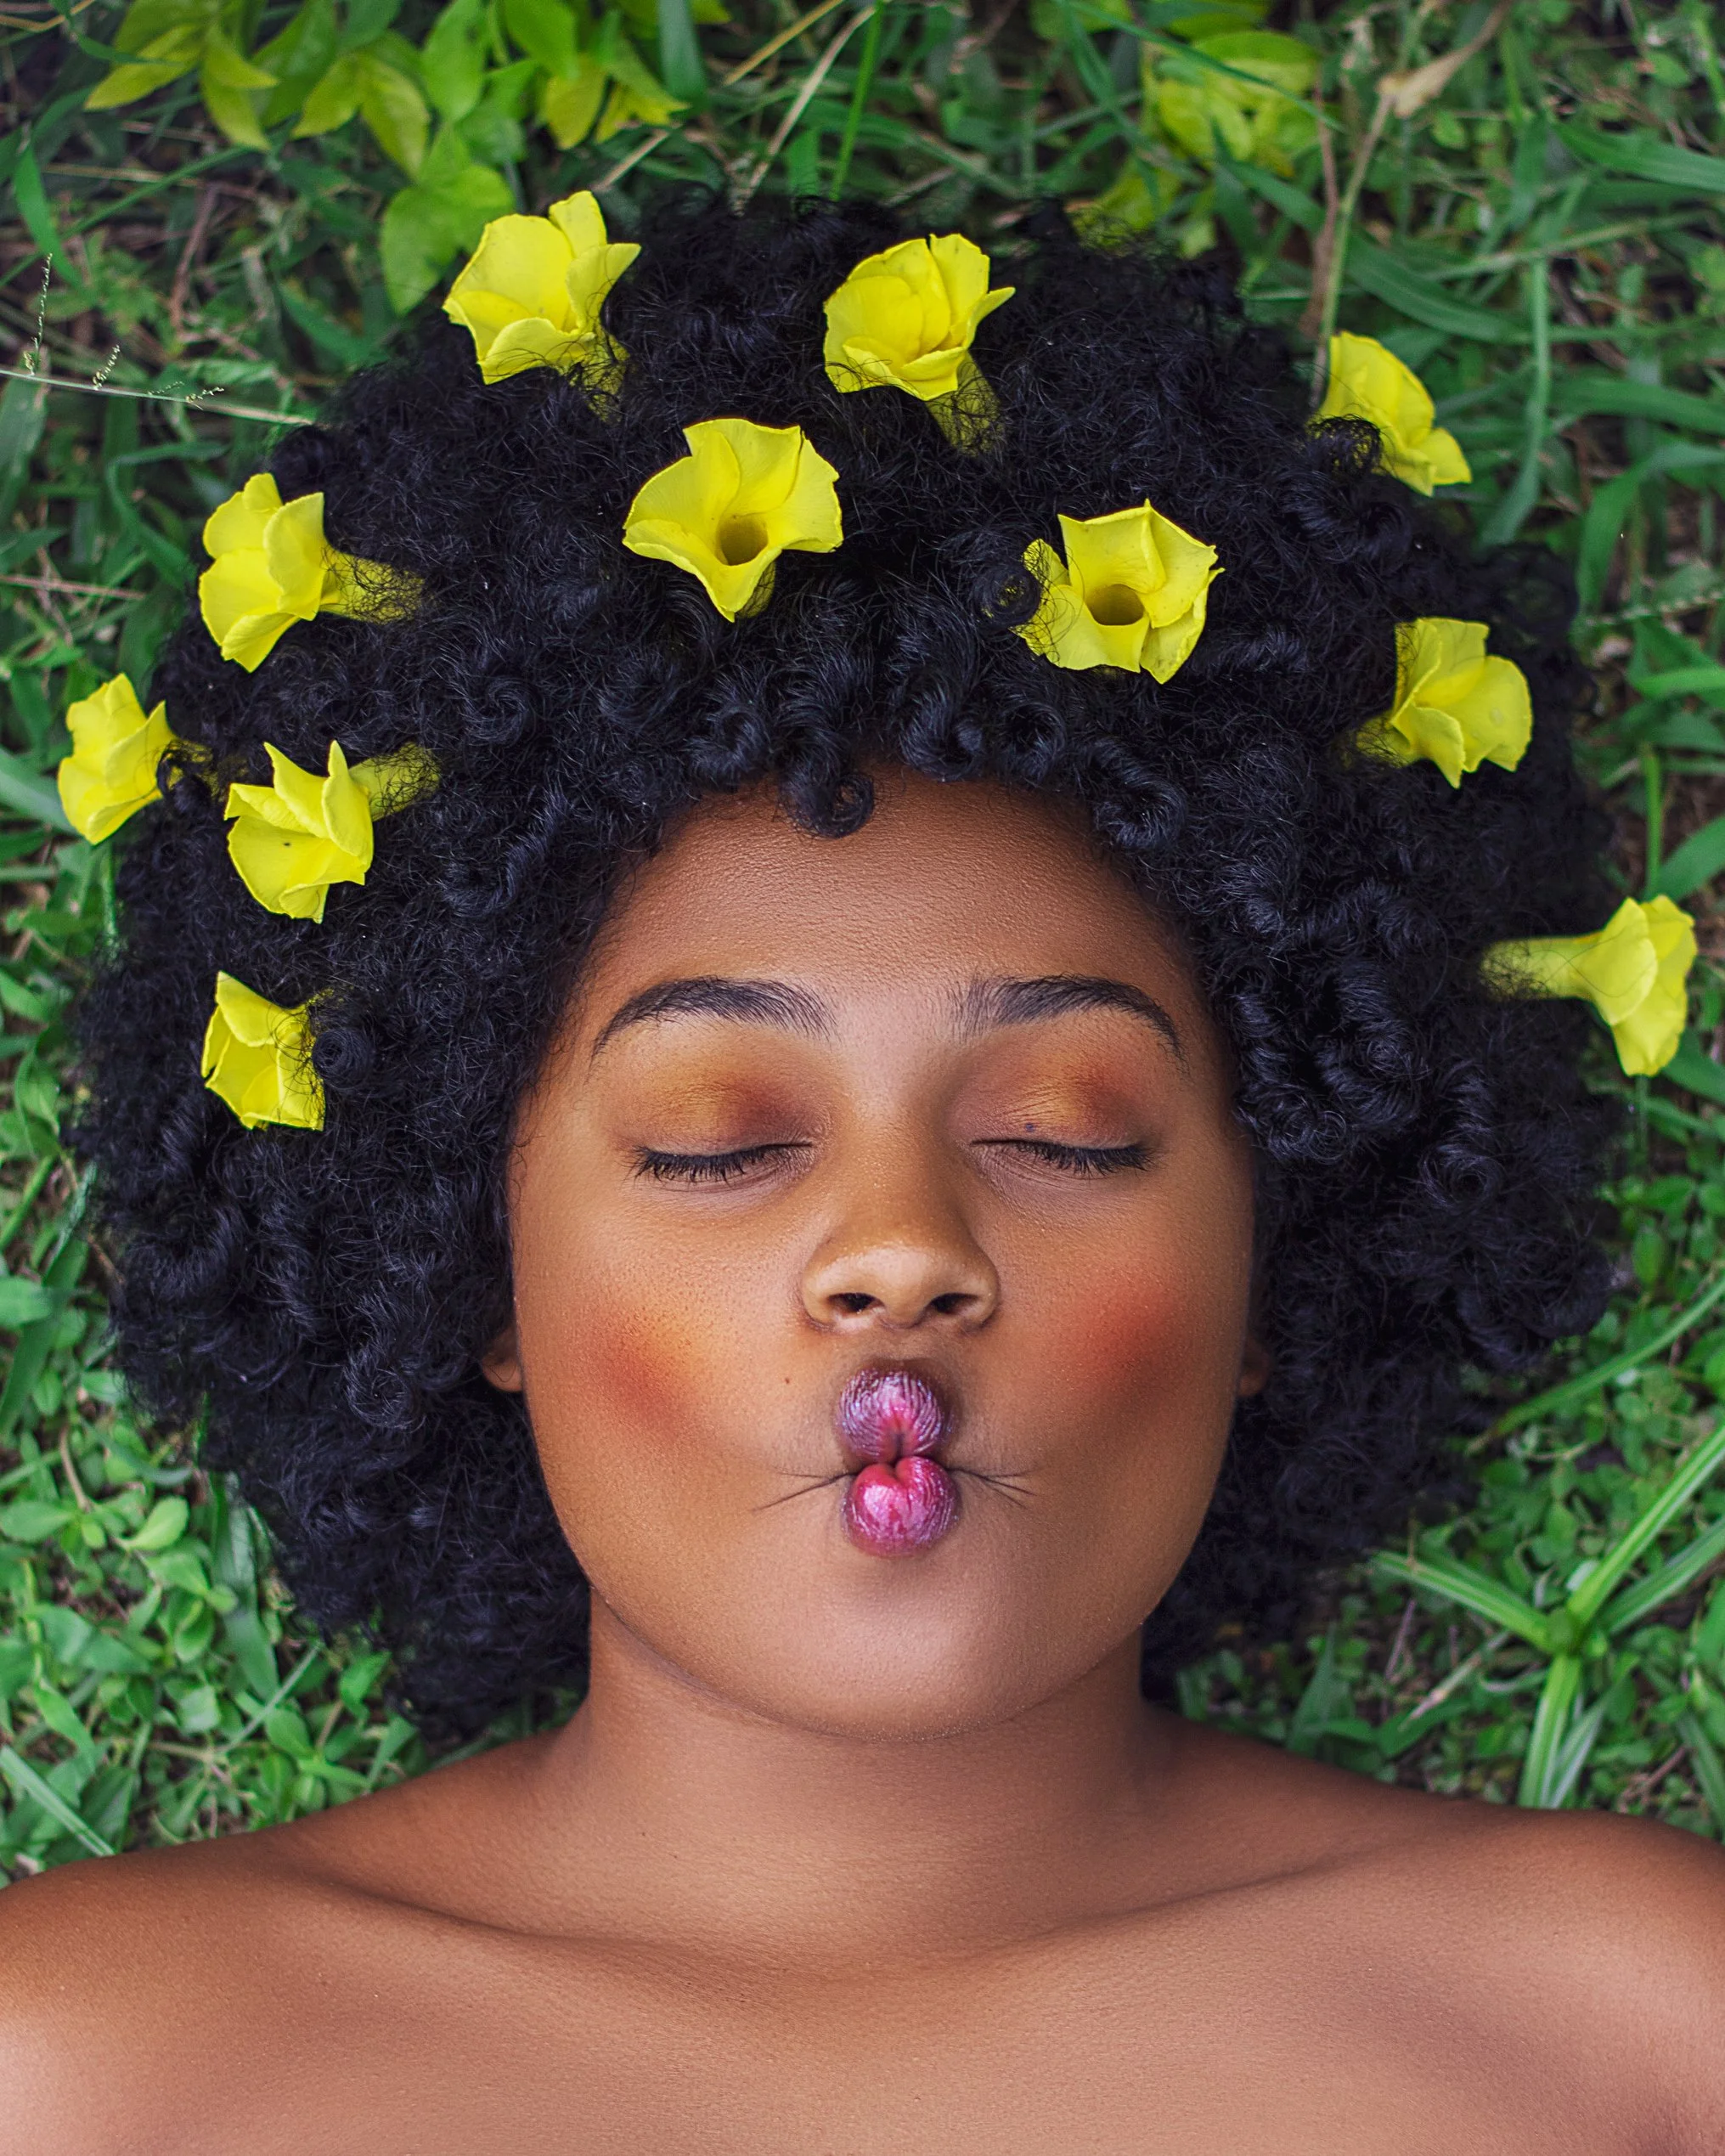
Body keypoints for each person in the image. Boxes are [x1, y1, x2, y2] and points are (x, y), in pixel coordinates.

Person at [2, 196, 1721, 2151]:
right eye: (718, 1141)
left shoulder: (1645, 2039)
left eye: (1063, 1131)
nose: (900, 1252)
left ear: (1281, 1253)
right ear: (472, 1271)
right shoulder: (82, 2074)